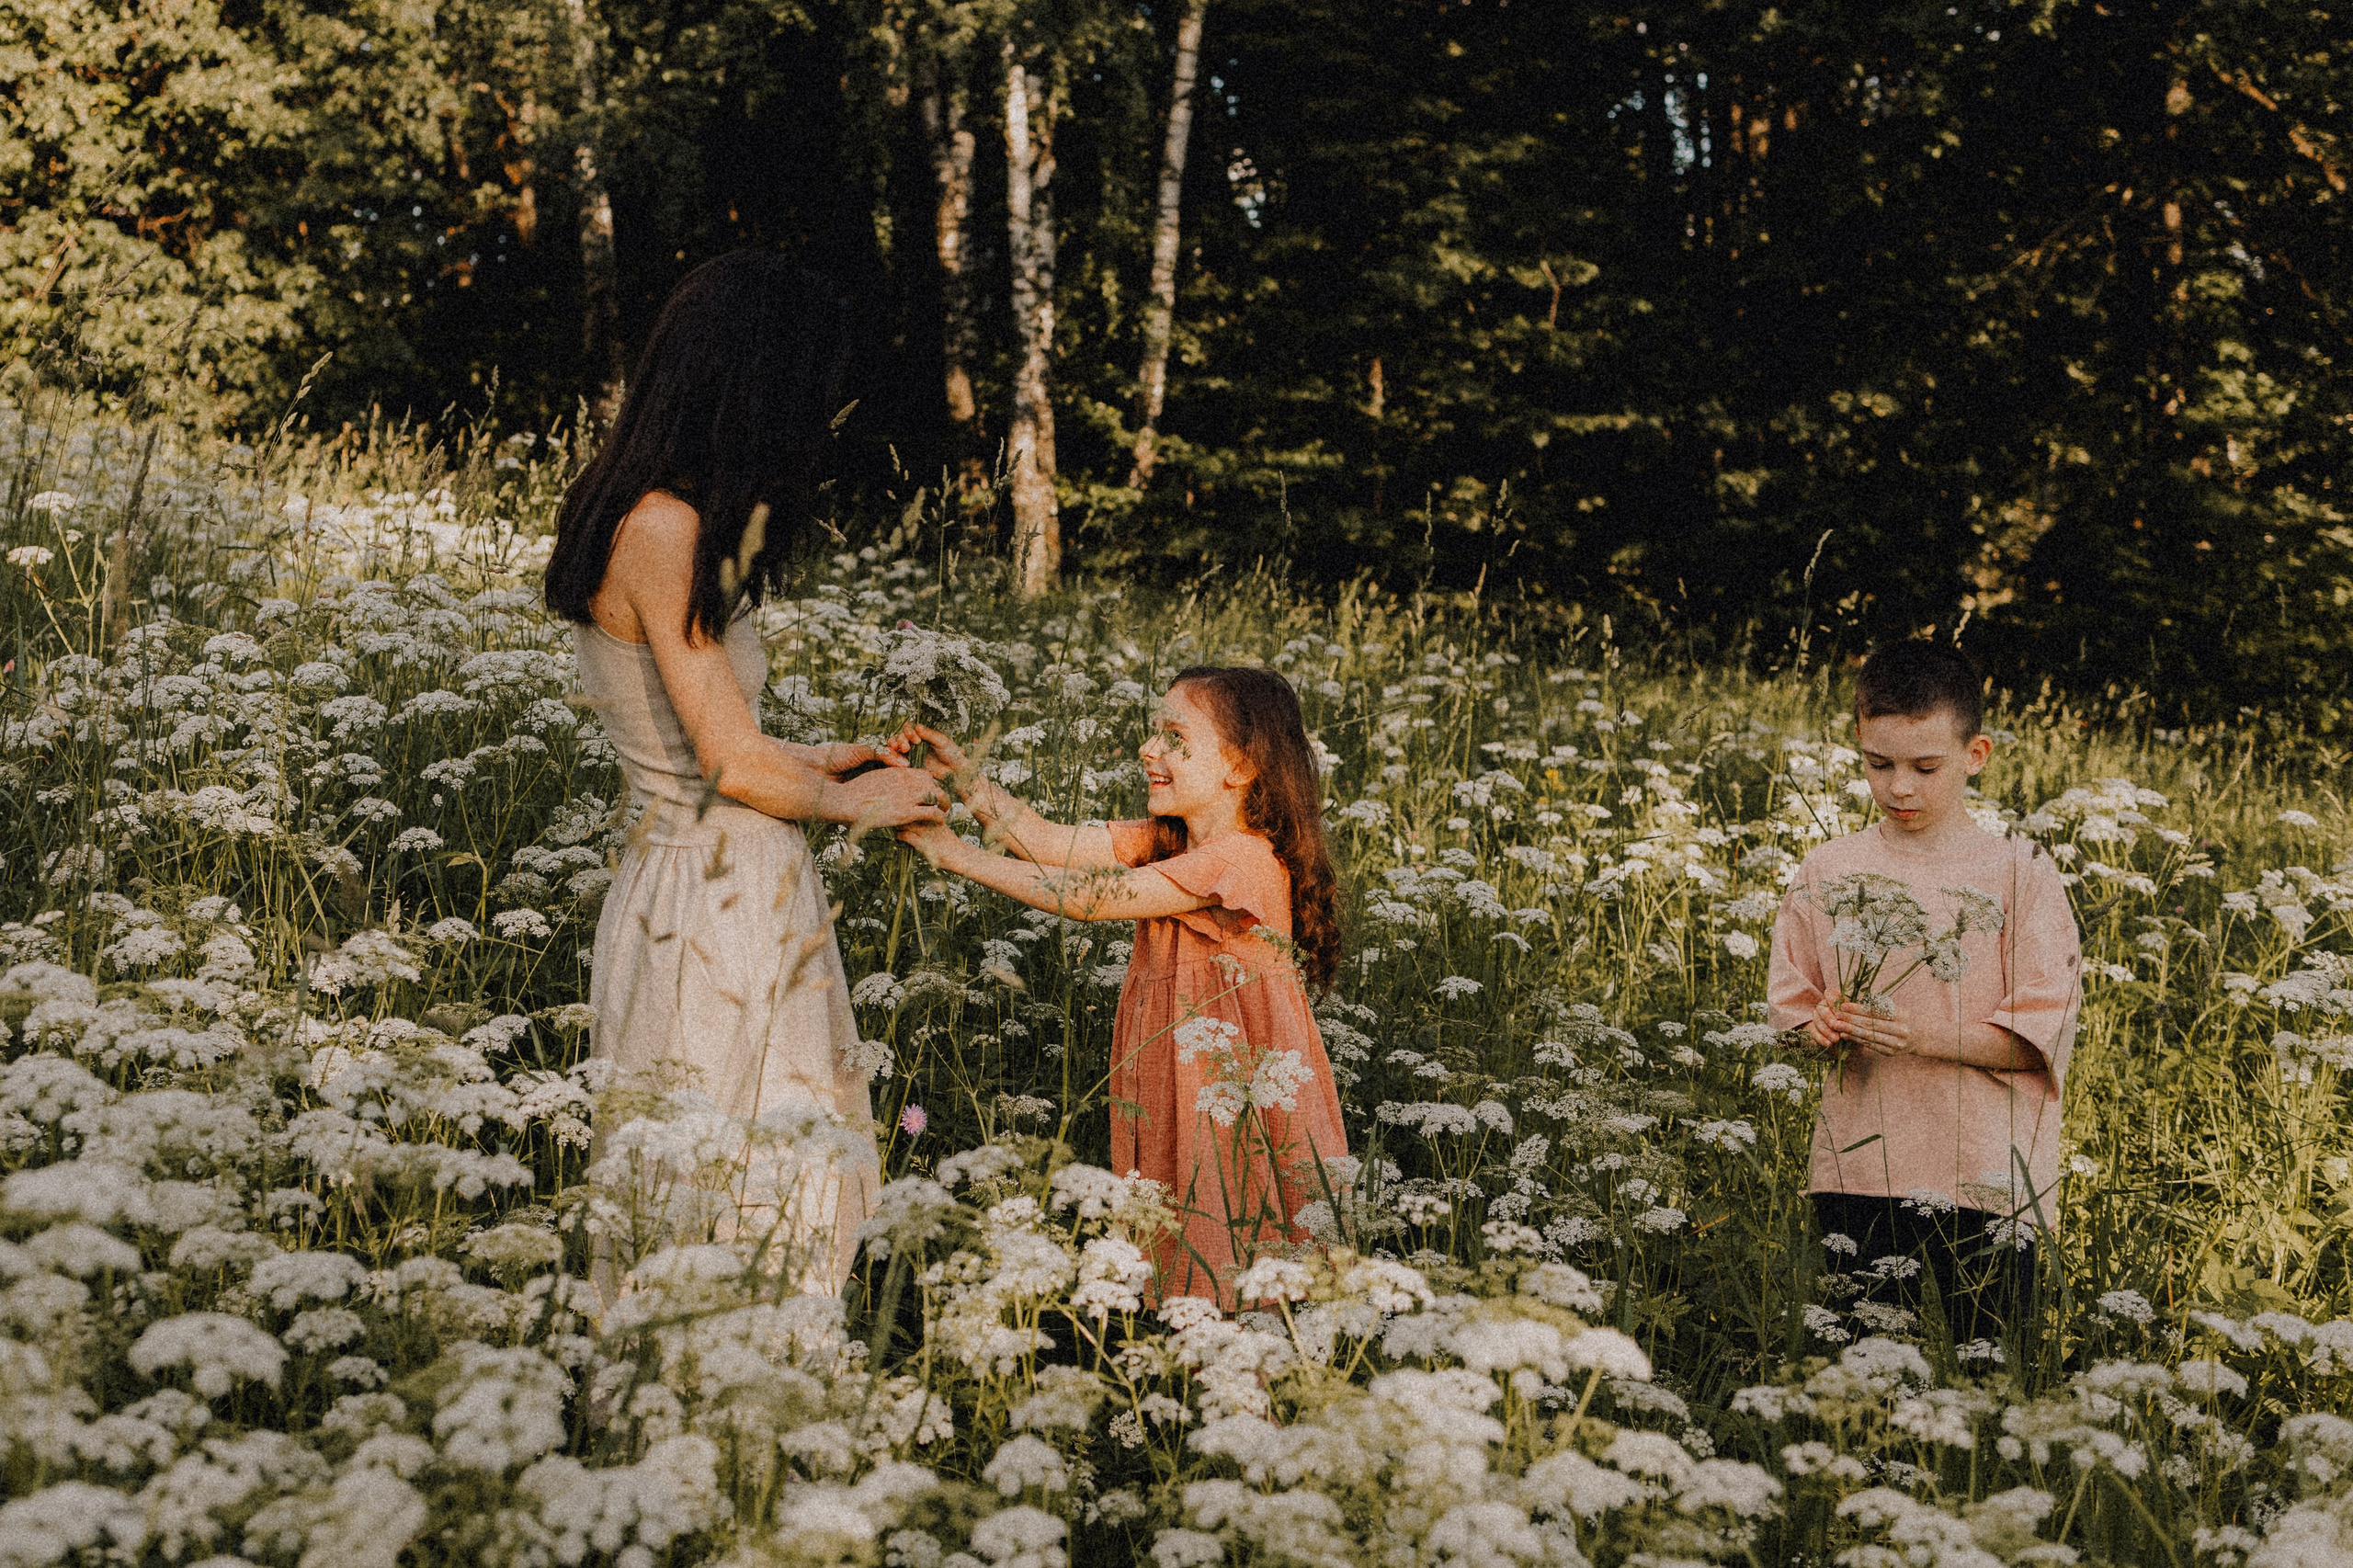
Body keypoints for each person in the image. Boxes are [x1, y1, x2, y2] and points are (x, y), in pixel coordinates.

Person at [543, 253, 947, 1294]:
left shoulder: (635, 508)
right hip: (715, 896)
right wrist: (857, 800)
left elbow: (697, 735)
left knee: (721, 1171)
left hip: (689, 869)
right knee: (739, 1183)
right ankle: (720, 1422)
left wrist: (823, 756)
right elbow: (727, 762)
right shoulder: (665, 527)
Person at [894, 666, 1349, 1304]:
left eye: (1173, 736)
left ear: (1241, 767)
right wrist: (967, 778)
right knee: (1189, 1240)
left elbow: (1088, 899)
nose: (1148, 749)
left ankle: (1258, 1390)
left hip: (1233, 1094)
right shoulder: (1170, 841)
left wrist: (955, 853)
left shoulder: (1243, 857)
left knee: (1237, 1238)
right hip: (1181, 1084)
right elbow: (1048, 842)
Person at [1767, 639, 2082, 1346]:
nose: (1899, 787)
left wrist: (1916, 1035)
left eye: (1925, 767)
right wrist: (1815, 1026)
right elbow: (1790, 1010)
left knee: (1989, 1382)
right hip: (1857, 1171)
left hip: (1991, 1181)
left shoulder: (2021, 872)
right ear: (1859, 746)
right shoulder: (1828, 868)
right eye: (1880, 765)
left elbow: (2040, 1041)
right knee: (1862, 1387)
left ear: (1977, 755)